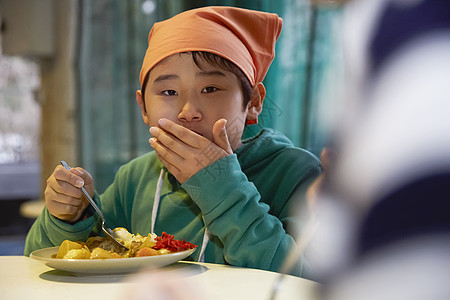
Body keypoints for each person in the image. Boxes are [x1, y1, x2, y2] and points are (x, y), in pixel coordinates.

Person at [24, 6, 321, 277]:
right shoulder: (136, 178)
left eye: (211, 88)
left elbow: (307, 280)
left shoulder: (295, 172)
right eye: (168, 92)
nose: (188, 111)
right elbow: (41, 261)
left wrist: (220, 187)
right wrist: (71, 217)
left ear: (253, 102)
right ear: (143, 108)